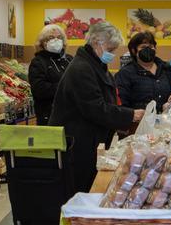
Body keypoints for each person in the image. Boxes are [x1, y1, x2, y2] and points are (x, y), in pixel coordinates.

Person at [49, 22, 143, 193]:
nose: (113, 54)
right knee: (79, 190)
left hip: (89, 142)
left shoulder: (95, 65)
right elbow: (96, 108)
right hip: (77, 146)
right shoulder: (81, 69)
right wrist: (130, 116)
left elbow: (107, 101)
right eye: (111, 48)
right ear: (97, 42)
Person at [116, 32, 171, 112]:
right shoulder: (125, 73)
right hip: (139, 121)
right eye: (143, 47)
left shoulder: (165, 68)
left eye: (151, 46)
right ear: (133, 51)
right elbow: (122, 102)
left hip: (165, 119)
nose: (148, 49)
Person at [27, 24, 71, 125]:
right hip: (49, 117)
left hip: (71, 117)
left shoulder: (69, 60)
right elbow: (39, 89)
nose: (56, 40)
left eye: (59, 37)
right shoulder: (38, 62)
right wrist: (67, 88)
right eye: (51, 37)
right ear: (43, 42)